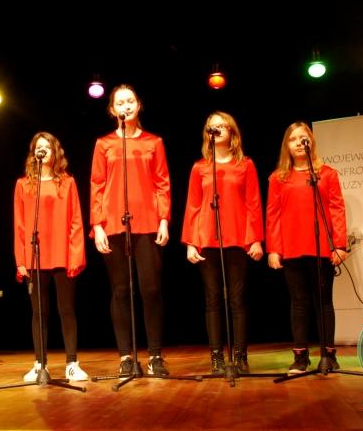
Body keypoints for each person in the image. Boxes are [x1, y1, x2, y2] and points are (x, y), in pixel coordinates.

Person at [90, 84, 171, 376]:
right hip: (113, 223)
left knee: (151, 289)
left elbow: (162, 183)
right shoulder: (104, 144)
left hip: (147, 222)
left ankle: (155, 355)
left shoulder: (154, 142)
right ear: (112, 110)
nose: (126, 106)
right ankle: (126, 356)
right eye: (120, 103)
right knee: (121, 290)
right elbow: (97, 185)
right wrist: (97, 225)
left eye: (130, 101)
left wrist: (164, 219)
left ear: (139, 105)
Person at [181, 112, 263, 374]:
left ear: (231, 132)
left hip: (238, 238)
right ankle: (216, 356)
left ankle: (240, 355)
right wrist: (191, 242)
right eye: (212, 126)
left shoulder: (245, 165)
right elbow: (193, 205)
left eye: (221, 126)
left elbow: (253, 203)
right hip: (207, 238)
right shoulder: (200, 167)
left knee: (237, 300)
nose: (216, 130)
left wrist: (256, 239)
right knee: (213, 299)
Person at [266, 121, 347, 374]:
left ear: (311, 141)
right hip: (292, 248)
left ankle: (328, 355)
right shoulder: (278, 178)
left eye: (303, 138)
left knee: (324, 302)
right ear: (287, 146)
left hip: (322, 248)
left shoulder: (327, 174)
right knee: (299, 303)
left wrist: (339, 244)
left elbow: (337, 209)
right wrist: (274, 249)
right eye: (293, 139)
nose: (299, 143)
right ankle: (300, 357)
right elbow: (273, 215)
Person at [14, 132, 88, 382]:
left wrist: (75, 255)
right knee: (39, 312)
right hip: (35, 257)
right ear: (33, 152)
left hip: (62, 254)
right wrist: (21, 260)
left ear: (55, 152)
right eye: (39, 146)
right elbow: (19, 225)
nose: (43, 150)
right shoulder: (23, 185)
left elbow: (76, 220)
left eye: (47, 146)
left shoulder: (67, 183)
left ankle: (72, 363)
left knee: (66, 309)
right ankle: (39, 364)